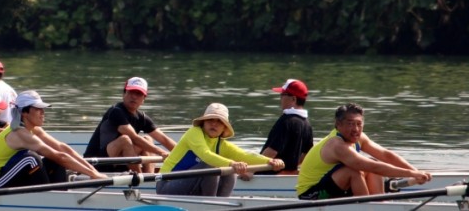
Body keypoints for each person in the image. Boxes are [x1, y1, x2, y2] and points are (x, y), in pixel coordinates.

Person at [296, 103, 432, 200]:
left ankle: (379, 203)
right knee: (355, 171)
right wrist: (411, 173)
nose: (355, 129)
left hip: (332, 185)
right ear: (338, 125)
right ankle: (367, 207)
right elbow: (369, 166)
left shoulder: (358, 137)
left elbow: (385, 155)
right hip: (310, 194)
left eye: (359, 124)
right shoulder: (337, 145)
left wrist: (416, 172)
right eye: (350, 124)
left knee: (372, 163)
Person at [0, 90, 107, 189]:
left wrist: (94, 172)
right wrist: (93, 175)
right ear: (24, 112)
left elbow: (62, 148)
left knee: (54, 161)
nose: (43, 113)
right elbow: (59, 156)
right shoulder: (19, 133)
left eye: (43, 109)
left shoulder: (33, 129)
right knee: (31, 158)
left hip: (12, 175)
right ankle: (47, 198)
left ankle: (59, 195)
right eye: (37, 109)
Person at [156, 103, 285, 197]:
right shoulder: (194, 133)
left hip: (188, 184)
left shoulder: (221, 144)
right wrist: (232, 163)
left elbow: (244, 155)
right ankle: (211, 205)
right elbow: (205, 155)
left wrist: (270, 161)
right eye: (210, 120)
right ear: (204, 123)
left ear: (224, 128)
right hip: (166, 184)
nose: (214, 124)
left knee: (229, 171)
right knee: (212, 165)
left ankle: (222, 203)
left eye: (219, 122)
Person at [83, 77, 176, 173]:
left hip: (119, 161)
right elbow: (134, 138)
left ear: (144, 99)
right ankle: (141, 179)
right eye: (131, 92)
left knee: (148, 139)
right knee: (125, 140)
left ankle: (150, 177)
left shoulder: (141, 118)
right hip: (95, 163)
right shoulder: (116, 111)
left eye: (138, 94)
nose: (134, 97)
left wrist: (186, 154)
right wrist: (161, 152)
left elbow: (164, 140)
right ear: (124, 94)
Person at [256, 79, 314, 175]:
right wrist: (290, 170)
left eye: (283, 95)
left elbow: (271, 152)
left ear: (293, 99)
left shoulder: (286, 121)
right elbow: (307, 153)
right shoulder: (307, 124)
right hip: (287, 175)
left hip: (269, 176)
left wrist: (251, 171)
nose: (280, 98)